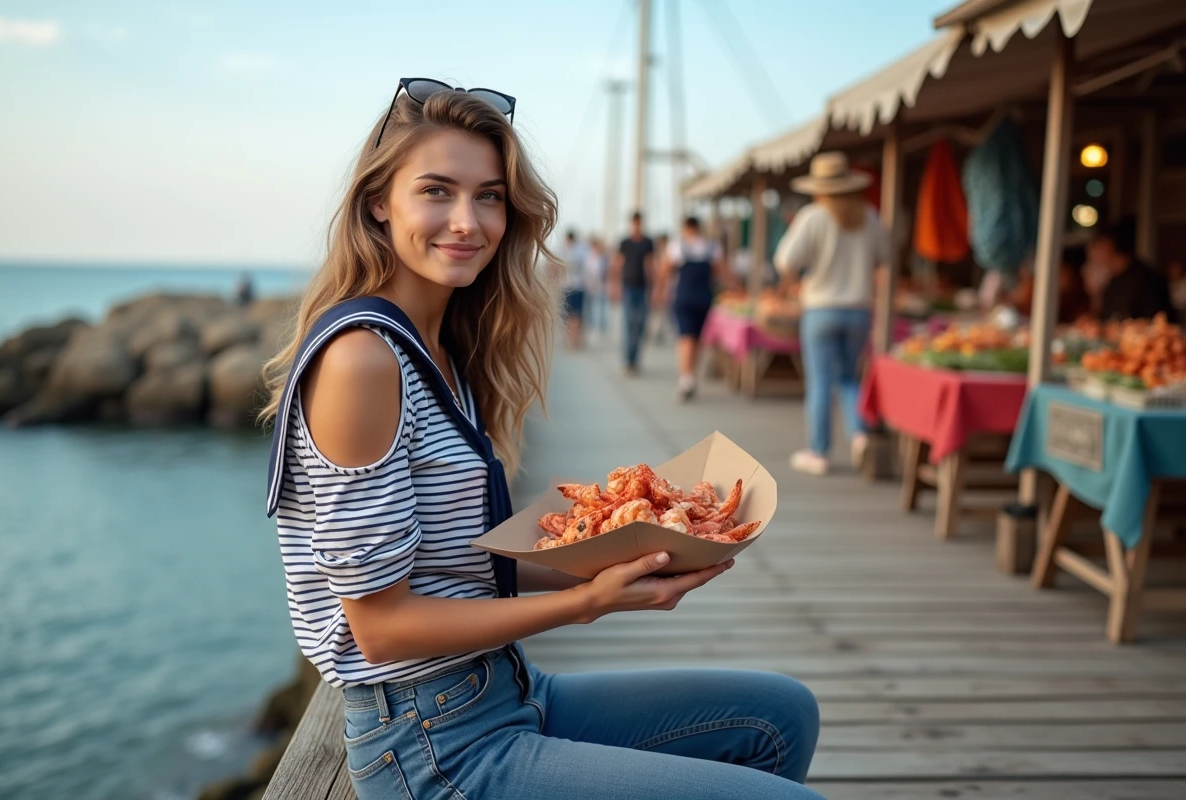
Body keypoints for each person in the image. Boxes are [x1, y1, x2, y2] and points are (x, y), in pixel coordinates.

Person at [259, 80, 823, 800]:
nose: (468, 221)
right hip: (432, 749)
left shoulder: (438, 348)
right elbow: (382, 629)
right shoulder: (361, 359)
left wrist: (637, 557)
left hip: (504, 689)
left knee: (781, 716)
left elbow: (453, 562)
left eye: (490, 196)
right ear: (378, 203)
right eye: (437, 191)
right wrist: (589, 602)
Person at [774, 152, 884, 477]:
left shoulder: (814, 216)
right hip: (859, 311)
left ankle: (819, 451)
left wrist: (798, 283)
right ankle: (860, 434)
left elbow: (785, 260)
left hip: (821, 310)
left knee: (820, 381)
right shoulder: (869, 216)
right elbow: (884, 258)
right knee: (849, 378)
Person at [658, 216, 732, 402]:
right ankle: (689, 376)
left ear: (685, 228)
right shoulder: (712, 247)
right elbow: (722, 272)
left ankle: (686, 376)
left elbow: (664, 270)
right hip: (704, 297)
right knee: (696, 340)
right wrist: (737, 288)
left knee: (685, 337)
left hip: (684, 297)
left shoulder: (677, 246)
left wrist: (659, 291)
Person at [1090, 218, 1177, 322]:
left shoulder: (1147, 280)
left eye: (1097, 244)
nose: (1092, 251)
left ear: (1109, 245)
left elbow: (1159, 323)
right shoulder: (1112, 282)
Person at [610, 212, 656, 375]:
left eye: (639, 223)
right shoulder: (625, 243)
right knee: (628, 324)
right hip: (628, 287)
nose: (636, 226)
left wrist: (654, 289)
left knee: (641, 324)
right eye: (634, 224)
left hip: (643, 288)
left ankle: (635, 358)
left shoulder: (648, 243)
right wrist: (614, 286)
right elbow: (617, 265)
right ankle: (629, 360)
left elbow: (651, 266)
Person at [558, 229, 588, 349]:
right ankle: (574, 339)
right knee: (573, 315)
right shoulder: (580, 251)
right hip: (573, 286)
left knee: (572, 315)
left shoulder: (566, 251)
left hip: (573, 286)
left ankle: (573, 339)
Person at [584, 235, 611, 339]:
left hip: (601, 286)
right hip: (590, 286)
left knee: (600, 308)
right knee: (592, 308)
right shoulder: (589, 256)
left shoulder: (604, 257)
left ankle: (601, 328)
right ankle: (594, 327)